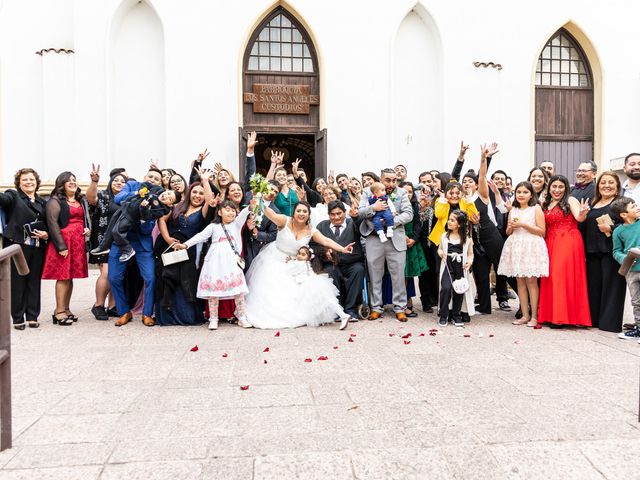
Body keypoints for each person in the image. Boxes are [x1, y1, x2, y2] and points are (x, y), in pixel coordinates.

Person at [245, 200, 356, 329]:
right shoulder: (284, 221)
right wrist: (260, 203)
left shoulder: (311, 230)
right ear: (294, 212)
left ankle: (342, 314)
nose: (301, 214)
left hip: (297, 263)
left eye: (305, 211)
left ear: (309, 215)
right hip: (275, 258)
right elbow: (272, 215)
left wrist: (342, 249)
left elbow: (326, 240)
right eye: (299, 211)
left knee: (316, 285)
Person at [175, 199, 253, 330]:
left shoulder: (237, 224)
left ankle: (242, 317)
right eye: (227, 210)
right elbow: (200, 236)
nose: (231, 213)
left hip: (231, 261)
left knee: (238, 290)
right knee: (213, 290)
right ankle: (213, 318)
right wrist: (185, 244)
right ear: (220, 212)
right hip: (214, 261)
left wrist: (253, 202)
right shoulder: (213, 226)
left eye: (233, 210)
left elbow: (246, 212)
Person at [155, 171, 215, 326]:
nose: (197, 195)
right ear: (189, 193)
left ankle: (185, 315)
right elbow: (161, 219)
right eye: (194, 192)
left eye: (201, 193)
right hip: (170, 248)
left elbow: (210, 200)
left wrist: (205, 181)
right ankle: (166, 316)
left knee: (184, 282)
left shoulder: (203, 211)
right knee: (167, 279)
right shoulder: (178, 207)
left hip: (188, 251)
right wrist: (168, 239)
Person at [108, 167, 164, 327]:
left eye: (157, 179)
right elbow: (119, 198)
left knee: (150, 278)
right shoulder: (132, 185)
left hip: (142, 243)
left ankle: (147, 313)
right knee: (114, 277)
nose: (152, 180)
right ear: (144, 176)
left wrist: (144, 216)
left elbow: (148, 229)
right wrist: (138, 194)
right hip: (121, 240)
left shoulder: (157, 197)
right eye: (150, 176)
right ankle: (124, 312)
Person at [358, 168, 414, 321]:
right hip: (374, 238)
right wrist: (373, 208)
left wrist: (390, 222)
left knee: (398, 275)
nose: (391, 183)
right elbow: (361, 212)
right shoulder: (368, 192)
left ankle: (400, 307)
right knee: (375, 275)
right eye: (387, 180)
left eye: (394, 180)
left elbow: (408, 214)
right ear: (380, 180)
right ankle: (376, 307)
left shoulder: (401, 193)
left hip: (394, 238)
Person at [468, 144, 517, 314]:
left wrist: (484, 158)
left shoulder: (481, 194)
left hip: (490, 234)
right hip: (475, 238)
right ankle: (484, 305)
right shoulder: (462, 200)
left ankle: (527, 304)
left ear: (476, 185)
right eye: (464, 181)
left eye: (470, 181)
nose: (467, 183)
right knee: (481, 273)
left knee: (505, 268)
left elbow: (482, 175)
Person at [538, 175, 591, 328]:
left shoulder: (571, 200)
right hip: (550, 241)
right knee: (550, 276)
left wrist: (583, 212)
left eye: (561, 187)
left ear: (566, 188)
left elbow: (579, 218)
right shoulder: (546, 203)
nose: (557, 190)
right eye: (554, 186)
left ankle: (561, 317)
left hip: (568, 239)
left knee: (560, 275)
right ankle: (551, 314)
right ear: (549, 188)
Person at [0, 168, 48, 330]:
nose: (29, 182)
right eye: (25, 180)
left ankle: (33, 316)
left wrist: (45, 234)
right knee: (17, 282)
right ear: (19, 183)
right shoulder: (13, 196)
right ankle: (18, 318)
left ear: (36, 182)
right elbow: (2, 199)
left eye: (31, 179)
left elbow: (49, 224)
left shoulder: (42, 202)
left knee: (34, 282)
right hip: (17, 246)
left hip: (37, 247)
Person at [42, 171, 91, 326]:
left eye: (74, 180)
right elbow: (52, 224)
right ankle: (59, 311)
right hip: (63, 242)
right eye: (68, 180)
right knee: (62, 276)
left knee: (70, 276)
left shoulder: (80, 199)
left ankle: (66, 308)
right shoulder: (55, 201)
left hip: (77, 242)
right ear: (61, 183)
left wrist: (87, 229)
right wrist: (61, 246)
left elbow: (85, 219)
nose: (72, 182)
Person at [579, 172, 626, 332]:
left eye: (611, 182)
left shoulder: (622, 203)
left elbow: (631, 226)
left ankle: (609, 323)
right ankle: (593, 320)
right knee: (594, 288)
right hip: (592, 252)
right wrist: (582, 216)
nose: (606, 185)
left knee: (612, 289)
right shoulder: (592, 203)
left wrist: (611, 228)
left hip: (612, 252)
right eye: (603, 182)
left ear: (617, 186)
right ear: (597, 186)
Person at [498, 181, 548, 327]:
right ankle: (524, 315)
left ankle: (534, 316)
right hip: (516, 245)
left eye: (525, 192)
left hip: (531, 245)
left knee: (531, 281)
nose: (521, 195)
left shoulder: (536, 208)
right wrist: (510, 227)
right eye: (519, 192)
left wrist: (523, 225)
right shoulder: (513, 209)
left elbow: (542, 231)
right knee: (520, 280)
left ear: (531, 194)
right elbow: (508, 232)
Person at [91, 184, 181, 262]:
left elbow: (146, 217)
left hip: (131, 216)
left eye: (169, 199)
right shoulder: (158, 189)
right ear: (167, 190)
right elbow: (146, 184)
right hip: (126, 206)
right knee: (111, 227)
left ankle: (127, 250)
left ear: (170, 204)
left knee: (117, 231)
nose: (166, 196)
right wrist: (142, 189)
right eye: (168, 193)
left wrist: (144, 208)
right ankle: (104, 246)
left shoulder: (160, 210)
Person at [312, 200, 365, 321]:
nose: (336, 217)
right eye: (333, 214)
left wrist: (356, 217)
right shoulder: (321, 226)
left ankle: (351, 309)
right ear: (328, 215)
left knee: (359, 270)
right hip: (332, 263)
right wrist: (324, 251)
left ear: (345, 213)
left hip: (352, 262)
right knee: (330, 272)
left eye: (339, 213)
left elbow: (362, 230)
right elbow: (313, 245)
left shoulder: (353, 223)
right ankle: (338, 310)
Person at [86, 166, 127, 320]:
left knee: (117, 274)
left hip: (121, 241)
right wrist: (94, 182)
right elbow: (91, 198)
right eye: (116, 180)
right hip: (103, 240)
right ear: (110, 182)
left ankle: (112, 306)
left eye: (123, 181)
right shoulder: (103, 196)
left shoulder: (127, 199)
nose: (119, 182)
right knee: (107, 273)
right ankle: (98, 305)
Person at [285, 245, 351, 330]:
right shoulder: (306, 263)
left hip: (309, 285)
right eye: (298, 253)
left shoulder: (300, 264)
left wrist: (289, 262)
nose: (299, 256)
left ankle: (343, 316)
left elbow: (290, 271)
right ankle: (343, 315)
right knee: (326, 300)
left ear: (308, 258)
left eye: (303, 254)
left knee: (325, 301)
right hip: (317, 282)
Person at [437, 211, 475, 327]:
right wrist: (441, 253)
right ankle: (444, 314)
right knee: (446, 288)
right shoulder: (444, 236)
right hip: (448, 266)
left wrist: (469, 262)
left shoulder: (467, 239)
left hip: (460, 267)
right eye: (449, 219)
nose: (449, 222)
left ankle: (456, 314)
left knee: (459, 289)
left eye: (452, 220)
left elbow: (470, 254)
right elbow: (439, 249)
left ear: (459, 224)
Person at [611, 197, 640, 340]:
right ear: (623, 214)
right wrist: (625, 258)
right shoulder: (618, 232)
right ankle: (639, 329)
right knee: (636, 301)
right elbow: (616, 251)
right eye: (633, 206)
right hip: (632, 271)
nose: (637, 207)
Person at [400, 181, 428, 317]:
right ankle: (402, 303)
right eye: (404, 192)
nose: (407, 194)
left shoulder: (415, 206)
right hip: (398, 240)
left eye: (410, 192)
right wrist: (403, 237)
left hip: (412, 242)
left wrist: (413, 239)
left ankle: (407, 301)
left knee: (408, 274)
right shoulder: (395, 206)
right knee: (400, 274)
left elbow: (418, 224)